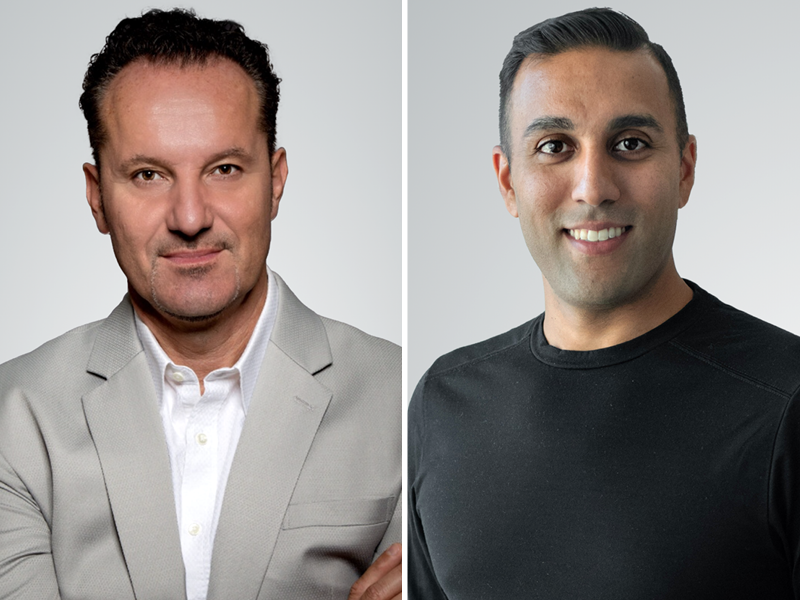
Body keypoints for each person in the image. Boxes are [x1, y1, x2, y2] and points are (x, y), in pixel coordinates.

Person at [0, 9, 400, 600]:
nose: (191, 218)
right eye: (147, 175)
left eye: (225, 169)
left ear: (276, 181)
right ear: (97, 197)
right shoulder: (13, 418)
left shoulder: (401, 398)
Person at [408, 8, 800, 599]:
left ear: (685, 169)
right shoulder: (444, 404)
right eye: (555, 146)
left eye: (630, 143)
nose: (593, 186)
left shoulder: (786, 401)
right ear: (508, 181)